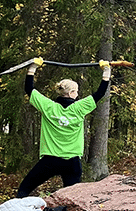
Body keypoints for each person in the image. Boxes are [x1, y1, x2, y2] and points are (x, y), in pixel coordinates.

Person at [16, 57, 111, 198]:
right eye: (76, 91)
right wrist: (106, 71)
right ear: (72, 93)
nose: (77, 94)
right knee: (72, 198)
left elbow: (29, 89)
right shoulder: (80, 108)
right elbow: (100, 93)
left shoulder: (48, 106)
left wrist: (32, 69)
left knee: (23, 190)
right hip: (72, 162)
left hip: (50, 160)